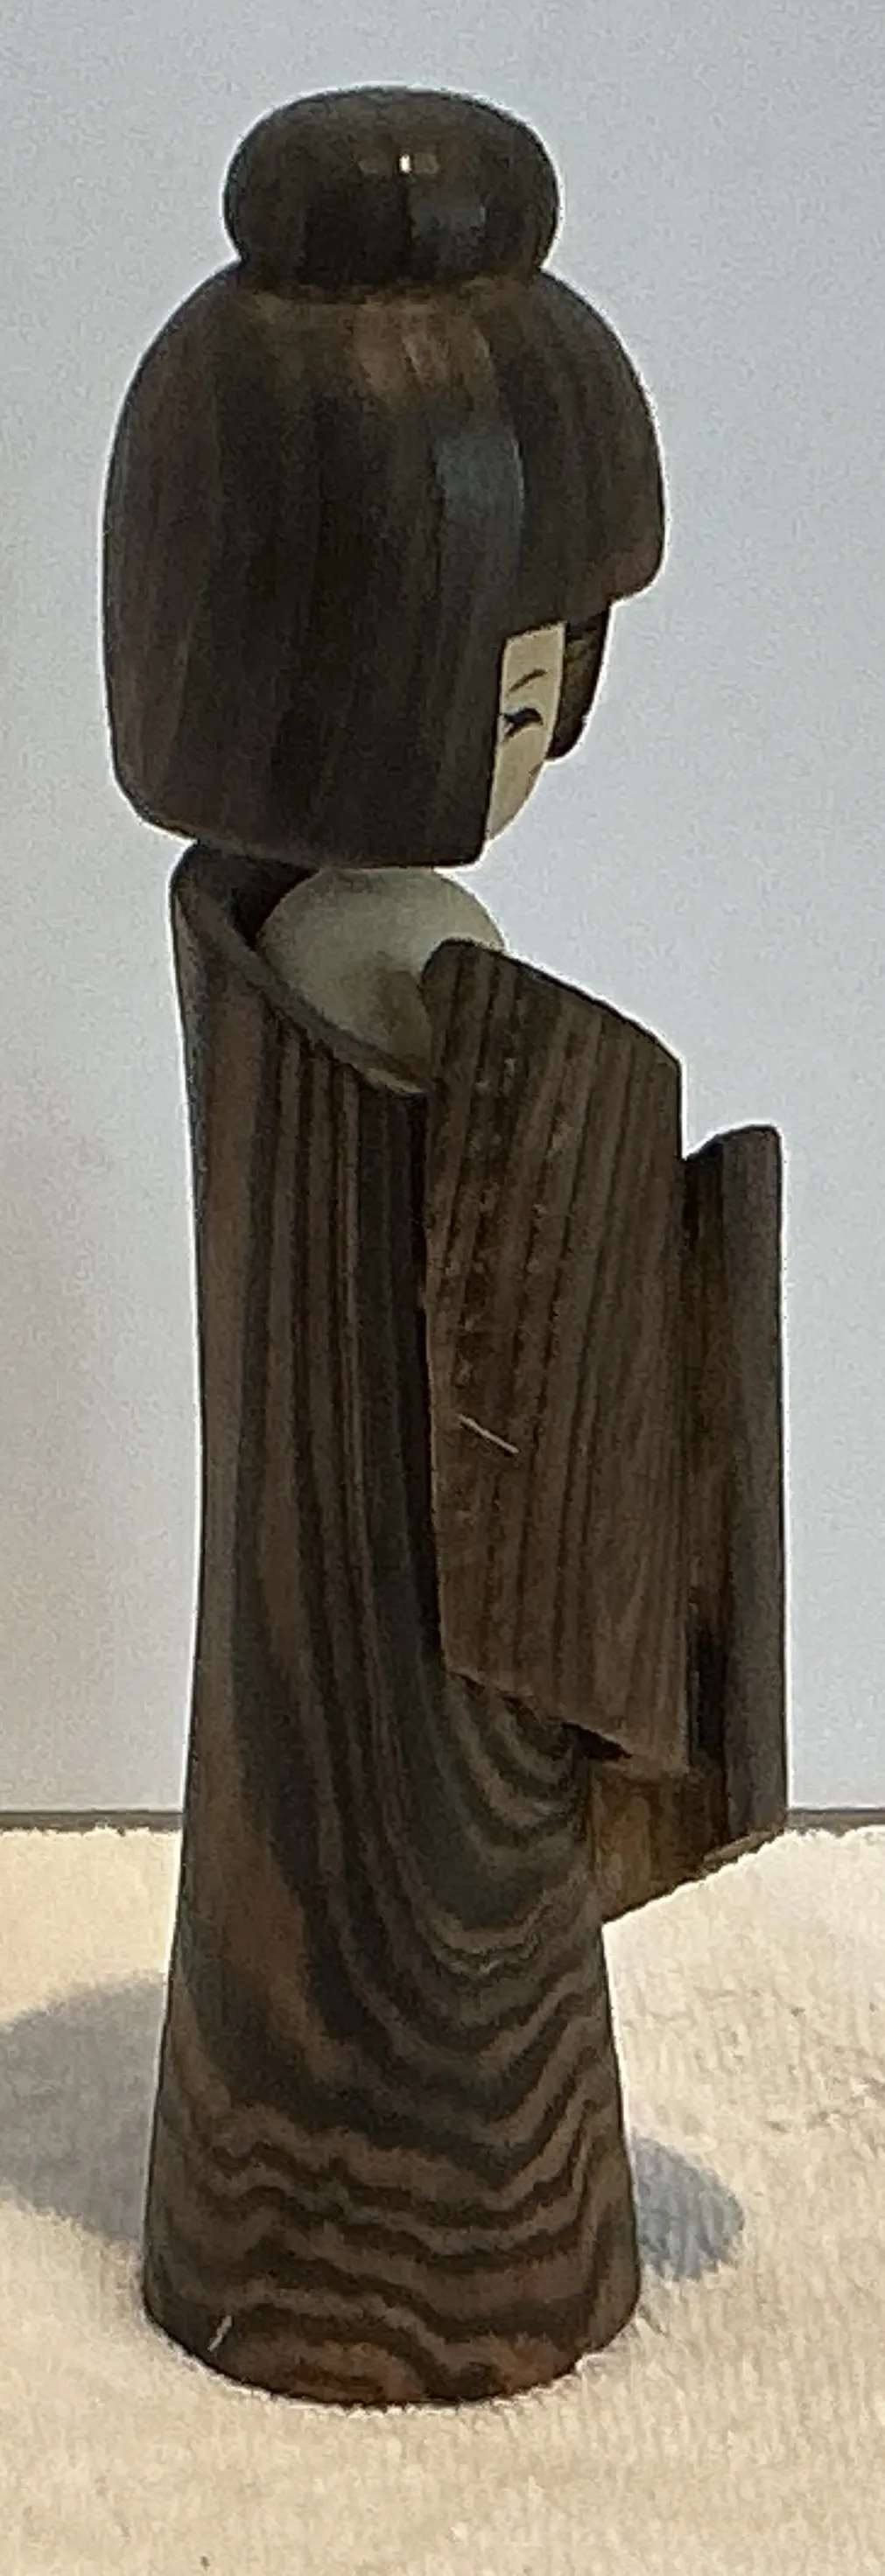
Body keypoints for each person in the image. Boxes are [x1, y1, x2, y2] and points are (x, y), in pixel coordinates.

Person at [103, 86, 785, 2409]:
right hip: (436, 1645)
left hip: (370, 1650)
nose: (556, 728)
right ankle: (414, 2234)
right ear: (341, 654)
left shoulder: (262, 928)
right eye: (522, 674)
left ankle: (305, 2208)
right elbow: (544, 1303)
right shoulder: (399, 976)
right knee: (448, 1873)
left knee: (398, 1835)